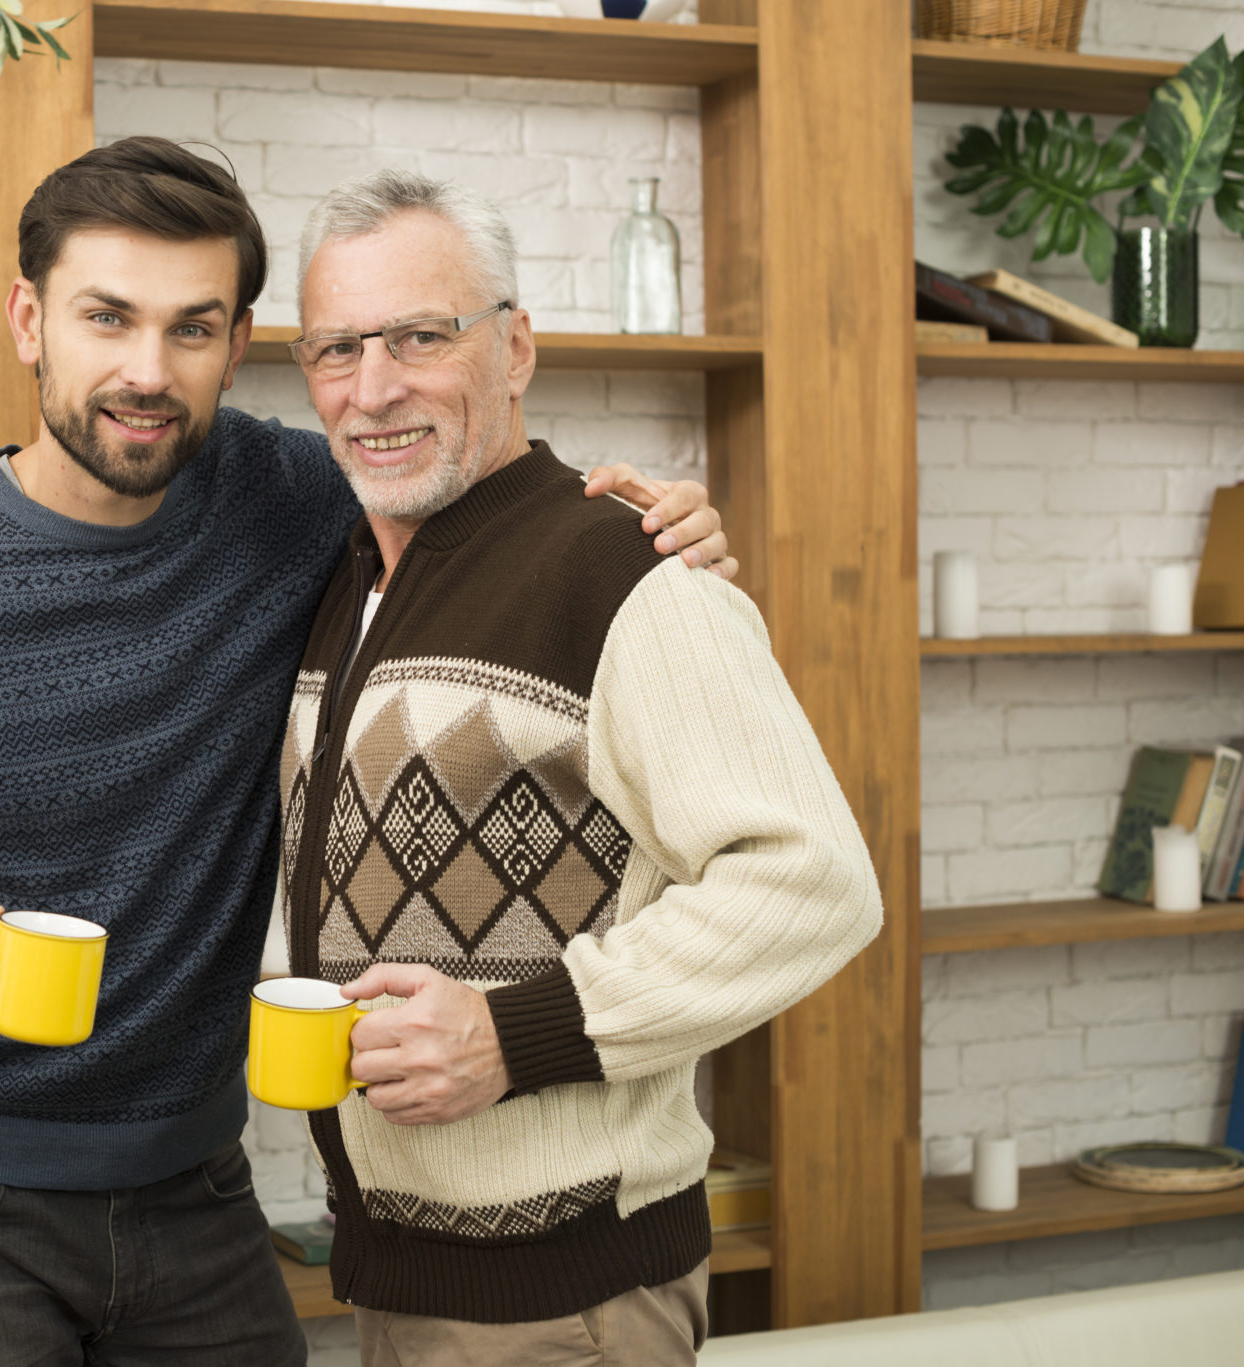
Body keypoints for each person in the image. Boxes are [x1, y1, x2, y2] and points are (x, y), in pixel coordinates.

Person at [0, 138, 730, 1367]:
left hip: (203, 1195)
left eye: (191, 329)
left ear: (239, 339)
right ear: (27, 319)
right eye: (105, 317)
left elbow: (452, 452)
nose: (145, 373)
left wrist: (636, 515)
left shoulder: (291, 496)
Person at [265, 171, 883, 1365]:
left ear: (514, 347)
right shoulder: (344, 580)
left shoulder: (623, 571)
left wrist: (515, 1034)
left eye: (419, 335)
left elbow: (811, 881)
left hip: (562, 1305)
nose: (372, 385)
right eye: (336, 347)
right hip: (397, 1273)